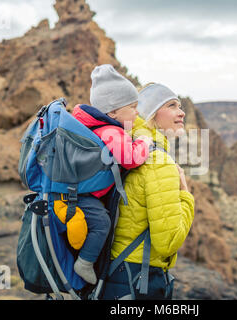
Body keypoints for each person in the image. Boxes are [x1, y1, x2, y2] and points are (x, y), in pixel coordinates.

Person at [102, 83, 195, 300]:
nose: (181, 112)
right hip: (139, 279)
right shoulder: (158, 161)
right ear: (152, 114)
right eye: (172, 105)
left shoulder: (132, 148)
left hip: (117, 273)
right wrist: (186, 196)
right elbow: (168, 242)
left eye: (180, 105)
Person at [68, 64, 153, 285]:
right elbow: (130, 159)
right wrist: (144, 142)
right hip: (82, 197)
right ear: (113, 112)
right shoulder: (112, 131)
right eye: (132, 107)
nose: (137, 112)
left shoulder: (99, 128)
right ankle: (85, 263)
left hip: (79, 193)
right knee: (102, 224)